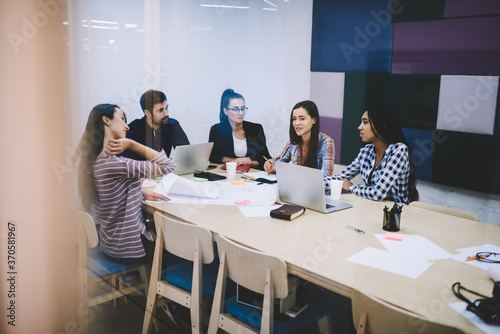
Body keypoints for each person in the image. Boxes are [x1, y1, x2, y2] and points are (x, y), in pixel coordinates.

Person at [78, 104, 175, 264]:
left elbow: (111, 191)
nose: (127, 126)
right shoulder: (117, 164)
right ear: (106, 120)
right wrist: (132, 144)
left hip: (111, 245)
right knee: (190, 252)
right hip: (131, 250)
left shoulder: (96, 162)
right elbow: (168, 166)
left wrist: (140, 191)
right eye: (122, 119)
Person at [330, 102, 418, 205]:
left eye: (365, 122)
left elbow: (377, 193)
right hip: (372, 208)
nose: (360, 127)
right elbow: (339, 178)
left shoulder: (399, 150)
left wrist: (351, 187)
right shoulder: (366, 151)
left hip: (396, 213)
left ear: (382, 124)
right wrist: (315, 183)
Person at [264, 100, 335, 177]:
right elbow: (279, 164)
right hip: (296, 186)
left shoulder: (326, 142)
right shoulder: (293, 142)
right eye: (294, 119)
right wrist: (272, 168)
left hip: (315, 188)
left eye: (302, 119)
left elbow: (326, 176)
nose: (297, 123)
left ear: (314, 120)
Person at [209, 88, 271, 169]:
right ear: (225, 111)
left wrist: (250, 163)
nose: (241, 113)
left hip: (252, 174)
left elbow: (265, 158)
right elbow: (213, 157)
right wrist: (235, 160)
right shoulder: (217, 130)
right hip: (227, 174)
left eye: (243, 109)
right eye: (235, 109)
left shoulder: (256, 129)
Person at [124, 89, 189, 160]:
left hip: (166, 170)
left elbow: (187, 154)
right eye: (160, 110)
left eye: (166, 108)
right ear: (147, 113)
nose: (166, 113)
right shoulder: (133, 129)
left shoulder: (172, 124)